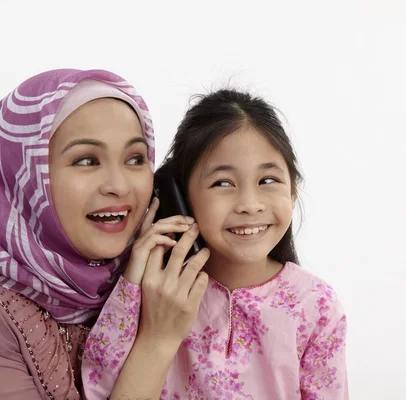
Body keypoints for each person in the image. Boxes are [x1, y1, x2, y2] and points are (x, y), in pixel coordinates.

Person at [82, 89, 349, 399]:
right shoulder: (151, 289)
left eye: (268, 180)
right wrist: (133, 285)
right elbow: (99, 389)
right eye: (223, 183)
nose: (250, 204)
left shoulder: (316, 305)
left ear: (292, 190)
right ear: (182, 198)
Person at [0, 68, 158, 399]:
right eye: (86, 161)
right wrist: (155, 343)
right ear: (26, 177)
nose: (119, 185)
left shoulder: (154, 284)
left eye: (135, 158)